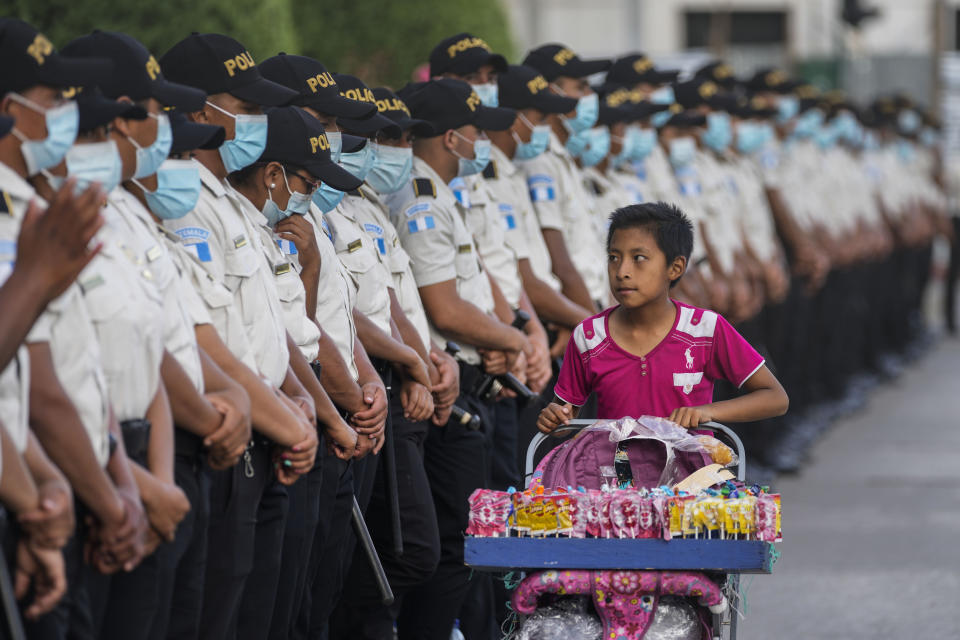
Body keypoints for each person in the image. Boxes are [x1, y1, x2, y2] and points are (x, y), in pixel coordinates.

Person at [382, 77, 529, 640]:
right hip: (449, 385)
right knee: (455, 547)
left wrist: (506, 334)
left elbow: (473, 290)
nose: (482, 141)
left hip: (473, 376)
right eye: (475, 132)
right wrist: (514, 342)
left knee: (473, 542)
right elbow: (444, 309)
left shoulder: (443, 194)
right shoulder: (420, 199)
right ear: (450, 137)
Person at [537, 202, 789, 434]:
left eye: (639, 259)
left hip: (691, 477)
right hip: (619, 478)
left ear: (675, 267)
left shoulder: (704, 329)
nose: (622, 271)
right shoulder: (590, 335)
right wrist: (555, 417)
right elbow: (567, 416)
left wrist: (707, 412)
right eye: (614, 258)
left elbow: (775, 397)